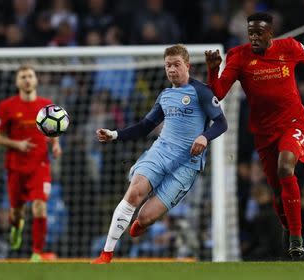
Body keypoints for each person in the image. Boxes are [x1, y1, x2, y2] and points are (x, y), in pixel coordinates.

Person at [205, 12, 304, 259]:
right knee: (278, 192)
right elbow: (219, 93)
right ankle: (289, 229)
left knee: (285, 168)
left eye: (259, 32)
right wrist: (213, 71)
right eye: (250, 33)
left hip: (293, 123)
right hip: (263, 132)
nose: (254, 37)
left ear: (271, 32)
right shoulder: (238, 56)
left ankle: (297, 237)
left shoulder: (288, 47)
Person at [92, 44, 227, 264]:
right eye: (168, 66)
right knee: (135, 192)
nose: (172, 69)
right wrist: (115, 135)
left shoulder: (201, 91)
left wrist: (205, 136)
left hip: (187, 165)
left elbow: (221, 123)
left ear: (187, 66)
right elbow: (145, 126)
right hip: (160, 152)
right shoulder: (165, 95)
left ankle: (141, 224)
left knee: (145, 218)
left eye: (176, 65)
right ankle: (106, 254)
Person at [0, 65, 62, 262]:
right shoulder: (6, 106)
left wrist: (56, 145)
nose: (27, 80)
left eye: (30, 76)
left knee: (40, 206)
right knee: (16, 212)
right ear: (17, 82)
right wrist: (17, 143)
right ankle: (16, 227)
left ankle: (37, 253)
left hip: (40, 165)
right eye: (22, 77)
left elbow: (53, 130)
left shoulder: (46, 105)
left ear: (36, 80)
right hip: (15, 166)